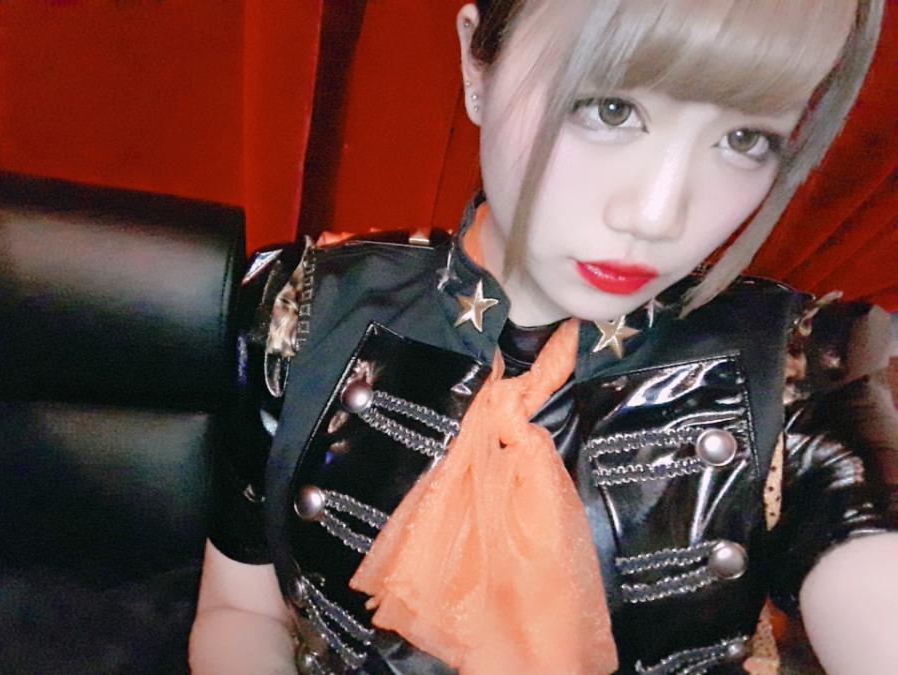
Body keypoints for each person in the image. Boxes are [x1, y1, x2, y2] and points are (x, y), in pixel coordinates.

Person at [190, 1, 898, 673]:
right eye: (609, 109)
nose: (657, 215)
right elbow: (240, 610)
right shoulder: (303, 307)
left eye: (745, 140)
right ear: (477, 63)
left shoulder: (793, 374)